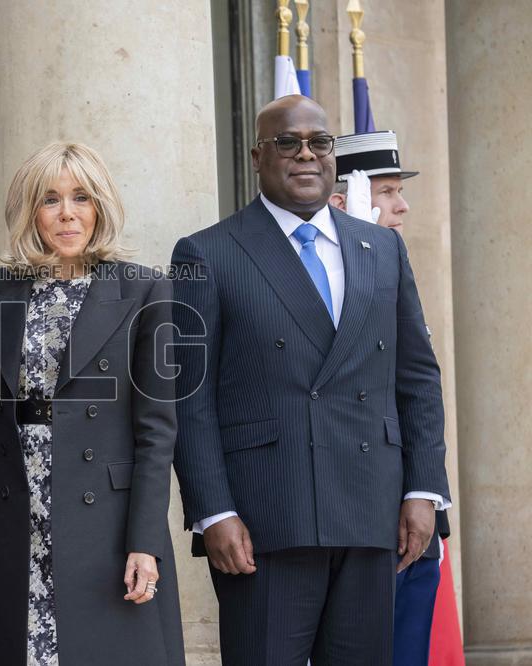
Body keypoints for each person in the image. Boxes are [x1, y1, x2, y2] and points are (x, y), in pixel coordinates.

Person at [171, 95, 451, 666]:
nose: (305, 154)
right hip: (264, 518)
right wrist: (213, 511)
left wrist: (424, 489)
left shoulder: (384, 249)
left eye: (318, 143)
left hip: (372, 511)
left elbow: (417, 377)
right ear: (257, 156)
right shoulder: (205, 253)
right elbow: (189, 398)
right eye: (287, 142)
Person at [0, 142, 184, 665]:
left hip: (107, 521)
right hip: (18, 513)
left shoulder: (144, 290)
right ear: (31, 212)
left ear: (101, 208)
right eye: (50, 199)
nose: (67, 213)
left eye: (81, 198)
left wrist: (145, 543)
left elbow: (156, 432)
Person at [329, 130, 453, 666]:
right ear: (343, 200)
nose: (402, 205)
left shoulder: (392, 262)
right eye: (385, 191)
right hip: (336, 514)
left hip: (402, 508)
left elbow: (418, 384)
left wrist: (425, 492)